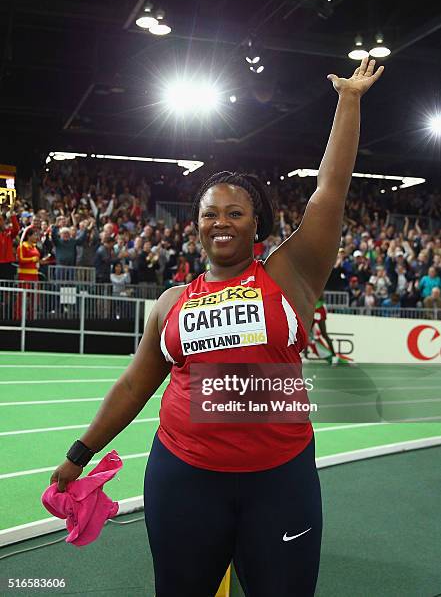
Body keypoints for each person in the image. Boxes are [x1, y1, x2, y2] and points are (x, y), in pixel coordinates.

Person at [49, 57, 383, 596]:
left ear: (257, 225)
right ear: (197, 225)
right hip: (184, 478)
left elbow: (329, 192)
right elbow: (135, 384)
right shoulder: (170, 304)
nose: (221, 221)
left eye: (235, 212)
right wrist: (77, 454)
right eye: (210, 213)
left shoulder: (289, 275)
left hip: (280, 480)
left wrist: (349, 101)